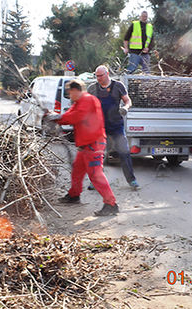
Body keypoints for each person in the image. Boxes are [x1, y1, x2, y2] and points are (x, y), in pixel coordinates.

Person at [45, 79, 119, 216]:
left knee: (96, 175)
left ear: (75, 90)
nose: (69, 95)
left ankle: (111, 204)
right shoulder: (79, 102)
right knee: (77, 171)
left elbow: (75, 117)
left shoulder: (87, 100)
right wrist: (54, 117)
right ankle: (74, 195)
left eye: (70, 92)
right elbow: (68, 115)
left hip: (94, 143)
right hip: (86, 145)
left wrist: (57, 117)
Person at [87, 65, 139, 190]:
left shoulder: (118, 86)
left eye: (101, 75)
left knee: (124, 153)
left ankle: (132, 180)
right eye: (97, 76)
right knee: (98, 155)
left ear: (107, 73)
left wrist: (126, 108)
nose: (98, 78)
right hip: (100, 127)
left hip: (116, 126)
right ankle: (95, 181)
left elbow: (128, 100)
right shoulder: (92, 88)